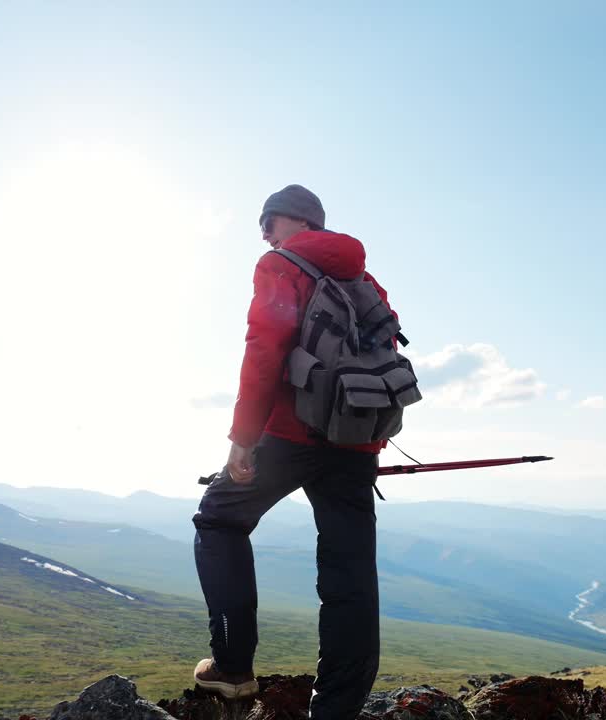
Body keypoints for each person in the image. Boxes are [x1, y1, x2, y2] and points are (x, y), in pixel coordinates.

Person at [191, 184, 397, 719]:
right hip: (357, 439)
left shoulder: (281, 264)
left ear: (297, 222)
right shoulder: (363, 276)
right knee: (349, 570)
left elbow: (265, 348)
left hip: (290, 434)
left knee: (219, 520)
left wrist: (242, 437)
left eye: (269, 220)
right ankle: (336, 709)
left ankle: (232, 669)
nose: (263, 232)